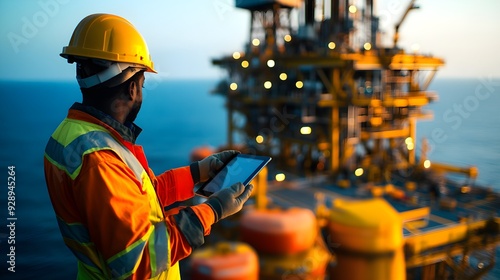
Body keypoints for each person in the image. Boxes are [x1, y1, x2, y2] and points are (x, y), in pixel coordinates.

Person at [43, 13, 253, 280]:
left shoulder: (75, 134)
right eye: (142, 84)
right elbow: (137, 262)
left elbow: (142, 199)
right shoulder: (99, 158)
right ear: (132, 88)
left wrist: (199, 172)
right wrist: (212, 211)